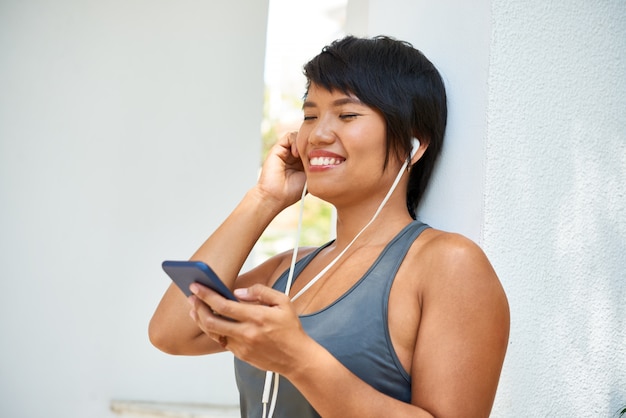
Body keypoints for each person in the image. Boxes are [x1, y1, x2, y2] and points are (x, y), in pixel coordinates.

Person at [149, 35, 510, 418]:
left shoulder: (448, 264)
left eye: (347, 115)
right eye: (309, 115)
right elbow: (170, 332)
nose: (317, 134)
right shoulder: (288, 271)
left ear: (414, 143)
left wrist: (299, 360)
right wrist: (264, 199)